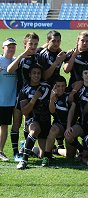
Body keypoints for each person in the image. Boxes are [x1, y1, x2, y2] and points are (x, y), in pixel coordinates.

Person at [7, 32, 40, 161]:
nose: (33, 46)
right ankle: (16, 153)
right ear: (25, 44)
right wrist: (21, 55)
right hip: (20, 96)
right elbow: (9, 70)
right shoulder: (21, 58)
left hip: (33, 95)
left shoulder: (38, 57)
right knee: (17, 123)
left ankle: (25, 148)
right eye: (30, 44)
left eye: (35, 44)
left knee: (29, 123)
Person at [17, 64, 51, 169]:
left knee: (42, 155)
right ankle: (24, 160)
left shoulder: (46, 87)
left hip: (45, 121)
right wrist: (34, 98)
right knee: (35, 130)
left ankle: (30, 148)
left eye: (38, 73)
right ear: (30, 74)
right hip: (32, 120)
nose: (36, 75)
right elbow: (25, 111)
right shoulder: (25, 90)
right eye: (34, 73)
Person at [64, 65, 88, 158]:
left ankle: (84, 151)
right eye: (85, 73)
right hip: (81, 124)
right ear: (82, 76)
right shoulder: (78, 90)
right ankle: (79, 149)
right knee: (69, 138)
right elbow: (72, 110)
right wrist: (68, 126)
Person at [41, 76, 70, 167]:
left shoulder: (69, 96)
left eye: (63, 86)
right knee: (53, 129)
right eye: (58, 86)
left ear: (66, 86)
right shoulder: (52, 97)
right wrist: (52, 99)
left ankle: (56, 150)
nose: (60, 88)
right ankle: (46, 156)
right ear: (54, 87)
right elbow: (52, 111)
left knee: (70, 156)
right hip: (59, 125)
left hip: (70, 126)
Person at [0, 38, 17, 161]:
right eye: (8, 46)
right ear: (3, 48)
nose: (11, 49)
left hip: (9, 101)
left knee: (4, 125)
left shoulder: (16, 61)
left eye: (13, 47)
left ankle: (0, 151)